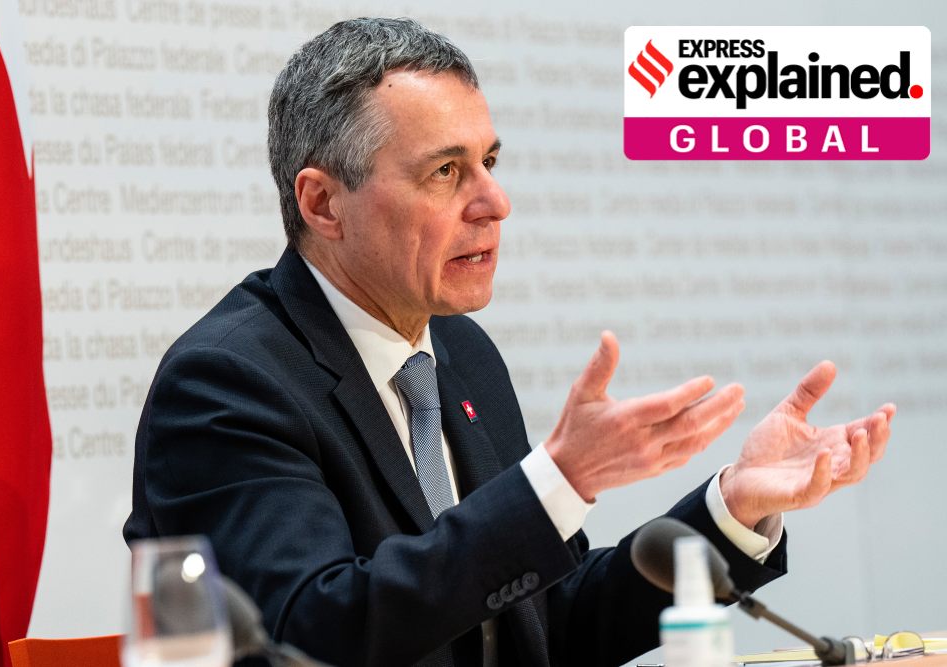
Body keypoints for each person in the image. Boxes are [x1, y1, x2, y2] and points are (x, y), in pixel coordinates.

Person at [123, 17, 894, 667]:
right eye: (445, 172)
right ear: (323, 203)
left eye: (488, 162)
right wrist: (558, 479)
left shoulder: (463, 354)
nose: (495, 201)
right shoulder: (229, 381)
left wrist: (734, 506)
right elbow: (315, 634)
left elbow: (548, 624)